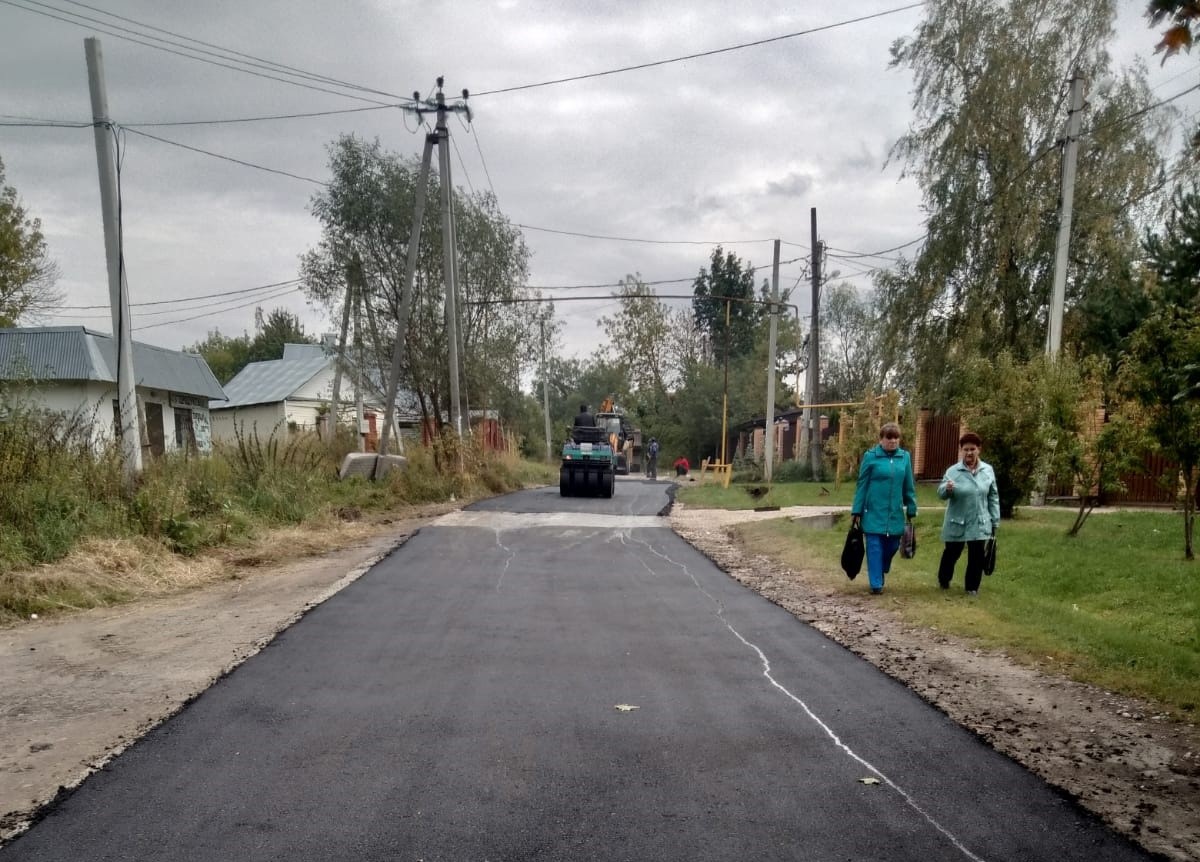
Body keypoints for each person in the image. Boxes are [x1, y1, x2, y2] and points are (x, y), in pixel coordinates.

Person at [850, 422, 918, 595]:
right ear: (881, 439)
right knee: (874, 547)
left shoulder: (905, 457)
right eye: (889, 438)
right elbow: (862, 485)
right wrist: (856, 510)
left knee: (893, 545)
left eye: (896, 438)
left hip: (894, 513)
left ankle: (881, 567)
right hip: (873, 511)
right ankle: (876, 585)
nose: (893, 441)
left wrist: (911, 506)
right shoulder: (870, 456)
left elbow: (908, 485)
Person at [937, 432, 1000, 596]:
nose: (969, 453)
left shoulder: (988, 470)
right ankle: (944, 578)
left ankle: (972, 587)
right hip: (957, 520)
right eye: (966, 449)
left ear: (979, 450)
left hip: (980, 521)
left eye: (972, 449)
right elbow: (941, 493)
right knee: (952, 552)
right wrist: (947, 489)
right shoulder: (953, 471)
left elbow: (993, 496)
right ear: (961, 451)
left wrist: (995, 520)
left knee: (977, 555)